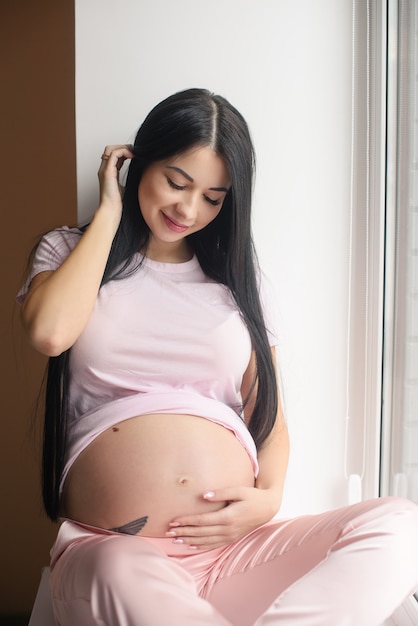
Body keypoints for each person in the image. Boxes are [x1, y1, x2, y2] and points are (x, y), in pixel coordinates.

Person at [18, 88, 418, 626]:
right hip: (119, 556)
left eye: (213, 196)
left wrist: (269, 498)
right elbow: (49, 333)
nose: (188, 209)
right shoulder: (67, 251)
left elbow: (269, 415)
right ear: (138, 165)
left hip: (234, 555)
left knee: (399, 526)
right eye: (176, 182)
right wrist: (109, 212)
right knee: (116, 568)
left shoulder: (238, 282)